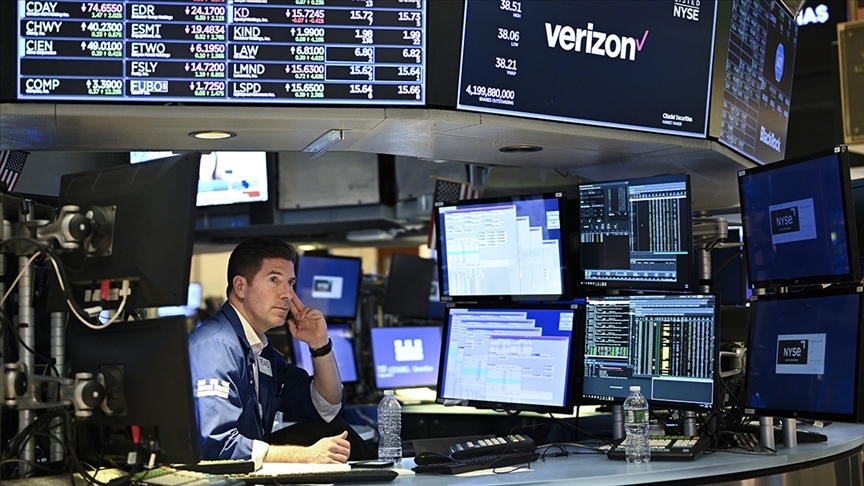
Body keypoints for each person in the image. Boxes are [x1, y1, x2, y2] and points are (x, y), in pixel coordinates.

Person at [188, 237, 370, 467]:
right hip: (223, 477)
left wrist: (320, 345)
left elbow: (327, 408)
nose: (288, 294)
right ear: (241, 287)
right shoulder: (215, 346)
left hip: (249, 471)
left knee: (332, 429)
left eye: (291, 282)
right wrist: (305, 455)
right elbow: (216, 445)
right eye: (274, 279)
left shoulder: (260, 350)